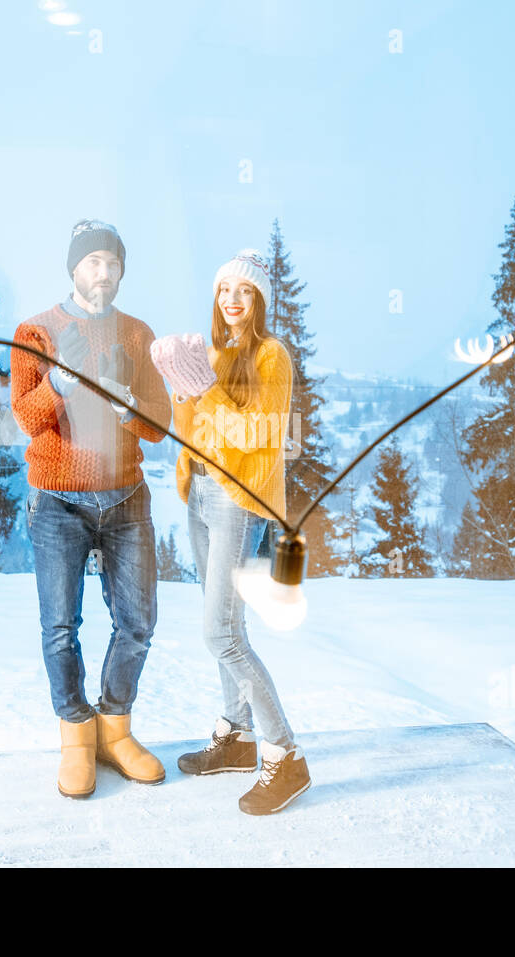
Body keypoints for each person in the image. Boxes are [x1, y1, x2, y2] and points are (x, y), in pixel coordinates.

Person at [10, 219, 172, 799]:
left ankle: (115, 727)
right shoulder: (36, 331)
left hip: (126, 497)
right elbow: (25, 420)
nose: (104, 272)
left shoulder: (137, 333)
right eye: (94, 261)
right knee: (60, 627)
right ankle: (76, 737)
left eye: (114, 263)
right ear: (74, 268)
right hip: (57, 500)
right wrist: (56, 381)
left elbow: (160, 424)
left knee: (138, 623)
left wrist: (131, 406)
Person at [149, 249, 311, 815]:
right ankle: (237, 737)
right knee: (221, 620)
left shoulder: (272, 356)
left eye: (244, 291)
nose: (232, 300)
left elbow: (259, 434)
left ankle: (284, 755)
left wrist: (207, 389)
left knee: (222, 634)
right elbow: (193, 431)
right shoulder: (217, 352)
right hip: (203, 495)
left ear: (260, 300)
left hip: (240, 502)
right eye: (224, 291)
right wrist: (181, 383)